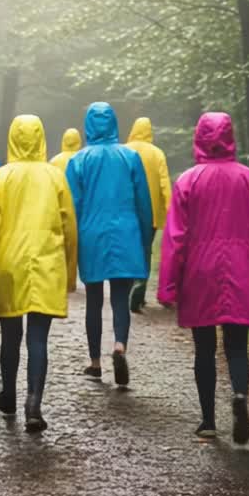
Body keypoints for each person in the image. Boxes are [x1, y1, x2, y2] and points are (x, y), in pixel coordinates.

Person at [157, 112, 249, 444]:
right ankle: (240, 395)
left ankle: (208, 420)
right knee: (237, 346)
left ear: (198, 137)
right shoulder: (248, 179)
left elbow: (175, 238)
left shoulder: (188, 180)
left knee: (204, 347)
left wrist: (168, 286)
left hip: (200, 271)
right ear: (231, 136)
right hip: (241, 268)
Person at [0, 115, 78, 433]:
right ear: (42, 138)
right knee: (38, 338)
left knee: (10, 336)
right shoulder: (55, 177)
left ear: (12, 138)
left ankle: (10, 394)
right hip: (46, 263)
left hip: (8, 265)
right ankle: (34, 401)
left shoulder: (0, 178)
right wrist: (70, 274)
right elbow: (70, 228)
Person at [66, 102, 154, 386]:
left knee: (93, 300)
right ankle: (119, 345)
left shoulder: (78, 160)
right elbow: (143, 201)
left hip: (91, 233)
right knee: (119, 298)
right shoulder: (130, 156)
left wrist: (70, 242)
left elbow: (71, 205)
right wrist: (145, 236)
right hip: (126, 231)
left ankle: (94, 363)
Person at [124, 117, 171, 314]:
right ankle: (140, 291)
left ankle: (125, 290)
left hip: (125, 211)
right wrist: (171, 211)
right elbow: (164, 184)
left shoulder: (123, 151)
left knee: (127, 249)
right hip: (150, 213)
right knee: (144, 250)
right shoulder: (157, 153)